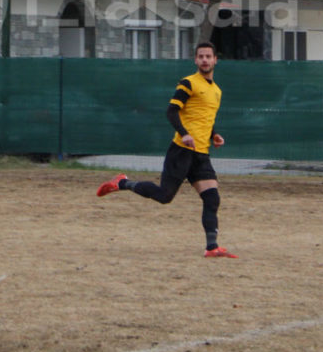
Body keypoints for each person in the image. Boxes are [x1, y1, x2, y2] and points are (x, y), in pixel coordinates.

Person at [96, 41, 237, 258]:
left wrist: (213, 135)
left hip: (201, 154)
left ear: (215, 60)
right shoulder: (188, 83)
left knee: (212, 198)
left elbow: (203, 117)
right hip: (181, 151)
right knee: (164, 196)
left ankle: (212, 247)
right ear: (196, 60)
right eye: (201, 56)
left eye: (208, 56)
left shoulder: (216, 90)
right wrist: (185, 134)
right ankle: (122, 183)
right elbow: (172, 112)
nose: (205, 60)